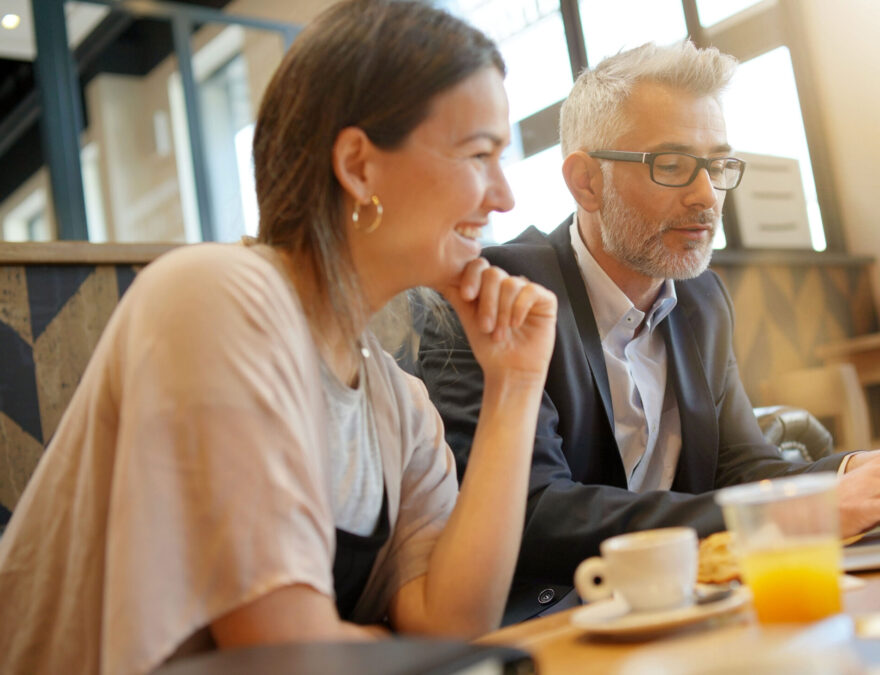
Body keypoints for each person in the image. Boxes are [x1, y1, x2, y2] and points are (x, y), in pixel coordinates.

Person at [0, 2, 556, 673]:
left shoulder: (397, 403)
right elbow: (285, 650)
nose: (504, 196)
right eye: (479, 154)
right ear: (359, 166)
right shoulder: (215, 295)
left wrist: (515, 385)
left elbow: (455, 624)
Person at [413, 40, 880, 624]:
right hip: (553, 620)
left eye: (719, 164)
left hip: (691, 605)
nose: (706, 196)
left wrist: (859, 472)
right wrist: (807, 511)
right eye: (673, 165)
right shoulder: (495, 293)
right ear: (586, 182)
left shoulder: (702, 298)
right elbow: (537, 511)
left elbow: (744, 469)